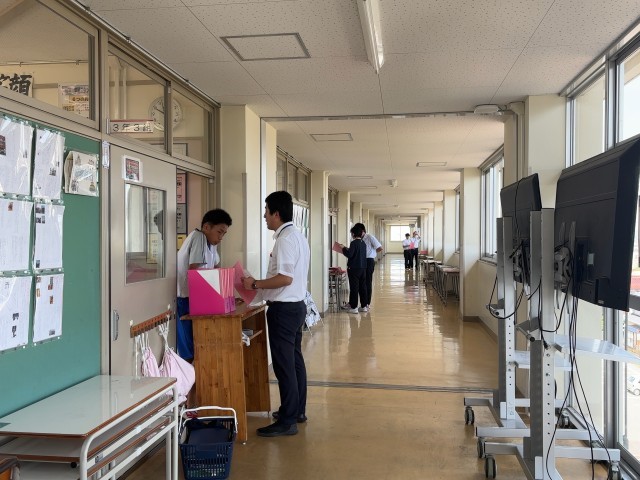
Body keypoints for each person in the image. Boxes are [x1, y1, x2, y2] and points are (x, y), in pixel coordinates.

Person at [242, 191, 310, 437]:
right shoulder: (297, 236)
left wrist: (255, 284)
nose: (264, 216)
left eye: (266, 211)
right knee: (294, 361)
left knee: (284, 366)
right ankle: (296, 411)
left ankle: (288, 420)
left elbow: (284, 278)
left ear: (276, 214)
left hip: (284, 311)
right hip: (296, 307)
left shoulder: (285, 240)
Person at [176, 209, 232, 362]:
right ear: (206, 227)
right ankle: (189, 376)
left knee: (198, 345)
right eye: (219, 232)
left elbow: (217, 270)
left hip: (197, 299)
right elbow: (194, 272)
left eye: (224, 234)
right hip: (185, 299)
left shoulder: (211, 244)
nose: (221, 238)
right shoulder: (199, 237)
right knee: (189, 349)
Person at [338, 224, 368, 313]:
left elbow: (350, 254)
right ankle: (364, 306)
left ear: (353, 234)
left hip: (354, 268)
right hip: (363, 268)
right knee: (363, 287)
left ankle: (354, 307)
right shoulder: (363, 243)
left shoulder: (353, 243)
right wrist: (347, 249)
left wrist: (343, 248)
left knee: (354, 287)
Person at [354, 222, 383, 309]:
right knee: (361, 282)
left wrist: (372, 253)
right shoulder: (358, 239)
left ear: (362, 230)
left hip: (369, 261)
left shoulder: (370, 237)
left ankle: (367, 303)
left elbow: (380, 248)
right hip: (360, 261)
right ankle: (363, 303)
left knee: (367, 282)